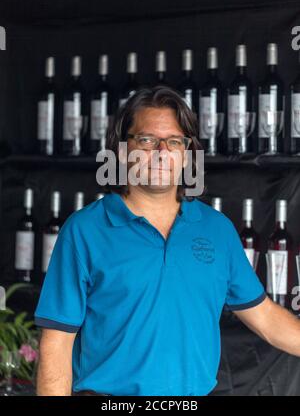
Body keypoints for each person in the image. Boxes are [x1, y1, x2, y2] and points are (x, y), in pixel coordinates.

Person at [34, 86, 300, 396]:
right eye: (147, 140)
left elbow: (266, 318)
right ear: (122, 150)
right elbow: (57, 342)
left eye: (174, 141)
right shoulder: (84, 231)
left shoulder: (217, 230)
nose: (162, 152)